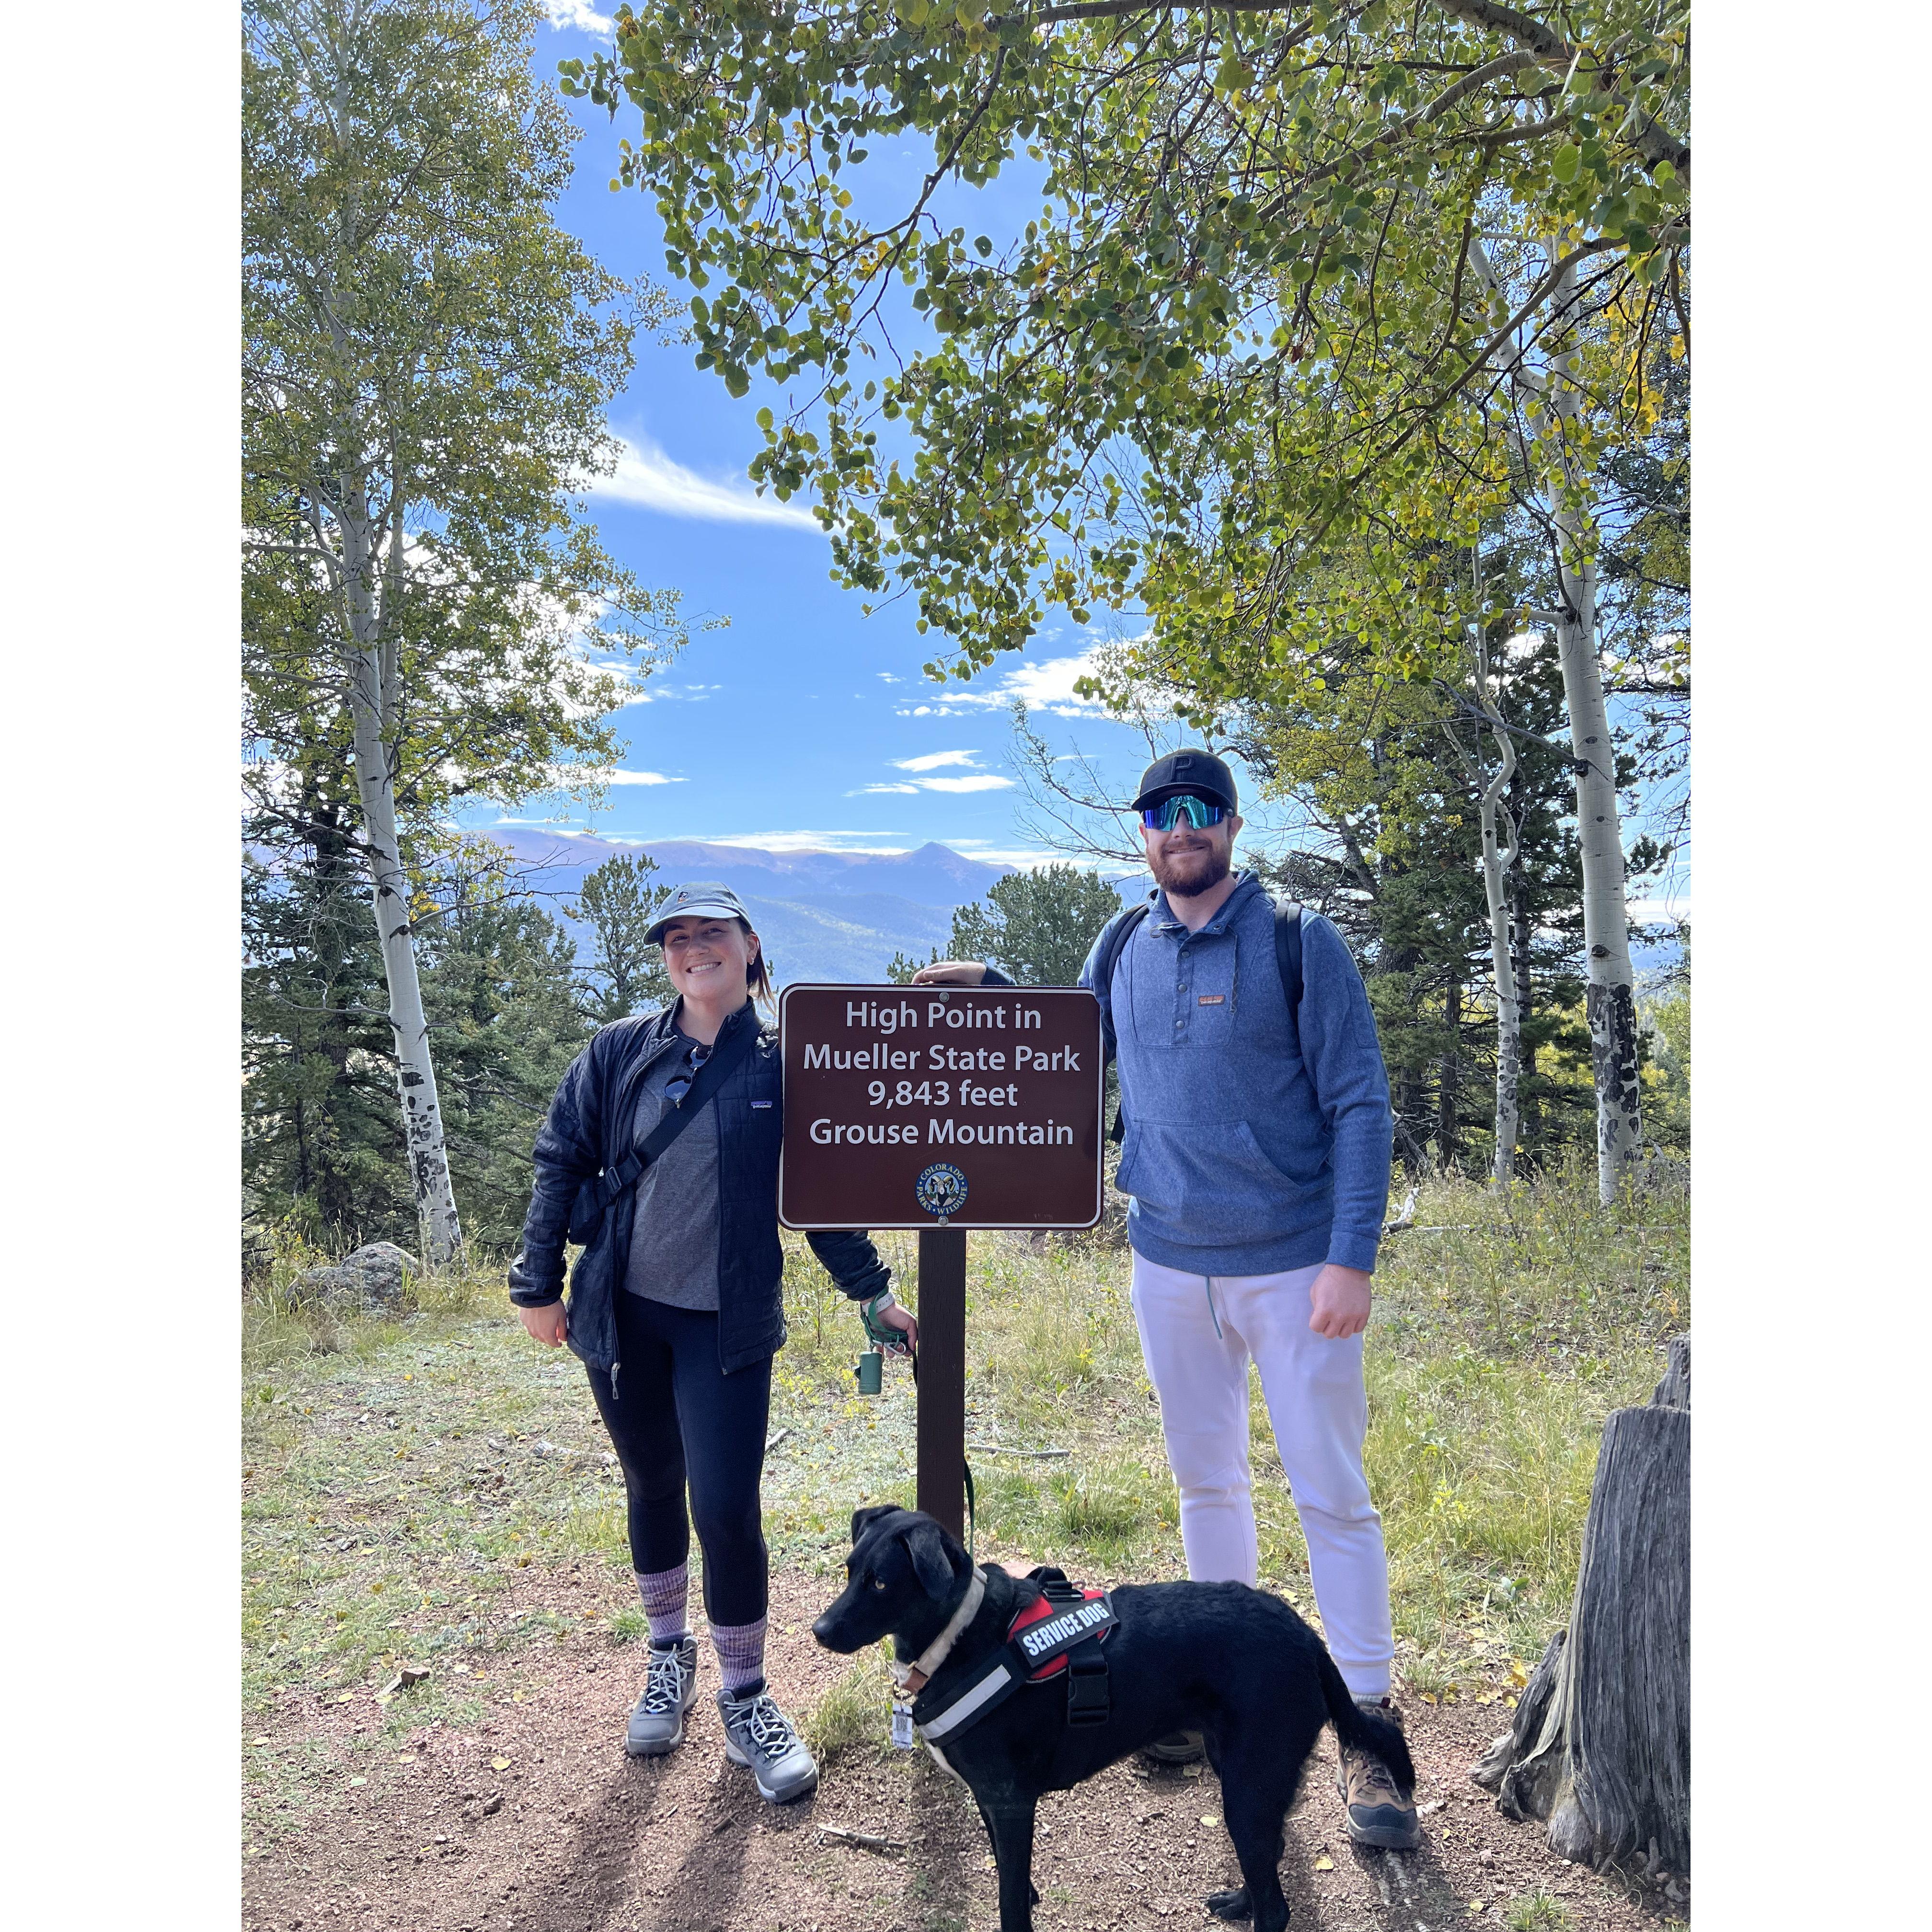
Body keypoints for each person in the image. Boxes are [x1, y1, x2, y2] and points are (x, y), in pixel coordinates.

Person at [913, 750, 1416, 1851]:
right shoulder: (1121, 944)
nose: (1178, 827)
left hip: (1293, 1267)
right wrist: (994, 995)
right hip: (1166, 1262)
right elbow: (1072, 1053)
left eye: (1197, 809)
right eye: (1158, 812)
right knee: (1207, 1483)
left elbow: (1362, 1106)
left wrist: (1352, 1257)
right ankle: (1216, 1687)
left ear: (1232, 824)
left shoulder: (1299, 944)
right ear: (1141, 834)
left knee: (1330, 1488)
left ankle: (1370, 1727)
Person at [509, 882, 918, 1805]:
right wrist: (536, 1285)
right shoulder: (620, 1053)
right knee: (653, 1484)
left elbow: (821, 1201)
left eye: (713, 934)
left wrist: (874, 1297)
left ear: (749, 945)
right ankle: (667, 1658)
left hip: (726, 1324)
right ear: (667, 957)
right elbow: (560, 1161)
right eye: (679, 938)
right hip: (623, 1312)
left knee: (728, 1509)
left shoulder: (783, 1065)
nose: (696, 949)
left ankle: (746, 1692)